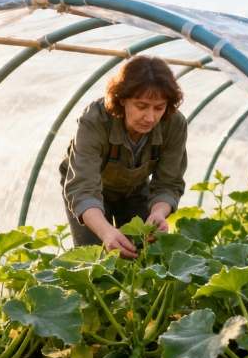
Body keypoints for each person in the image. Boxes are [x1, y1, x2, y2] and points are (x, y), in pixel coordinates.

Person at [60, 55, 188, 259]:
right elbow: (83, 188)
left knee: (142, 251)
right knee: (95, 258)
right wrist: (106, 232)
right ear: (122, 99)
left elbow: (169, 183)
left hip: (135, 188)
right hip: (90, 189)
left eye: (159, 107)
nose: (150, 117)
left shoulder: (174, 124)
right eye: (141, 106)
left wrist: (159, 213)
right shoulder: (95, 120)